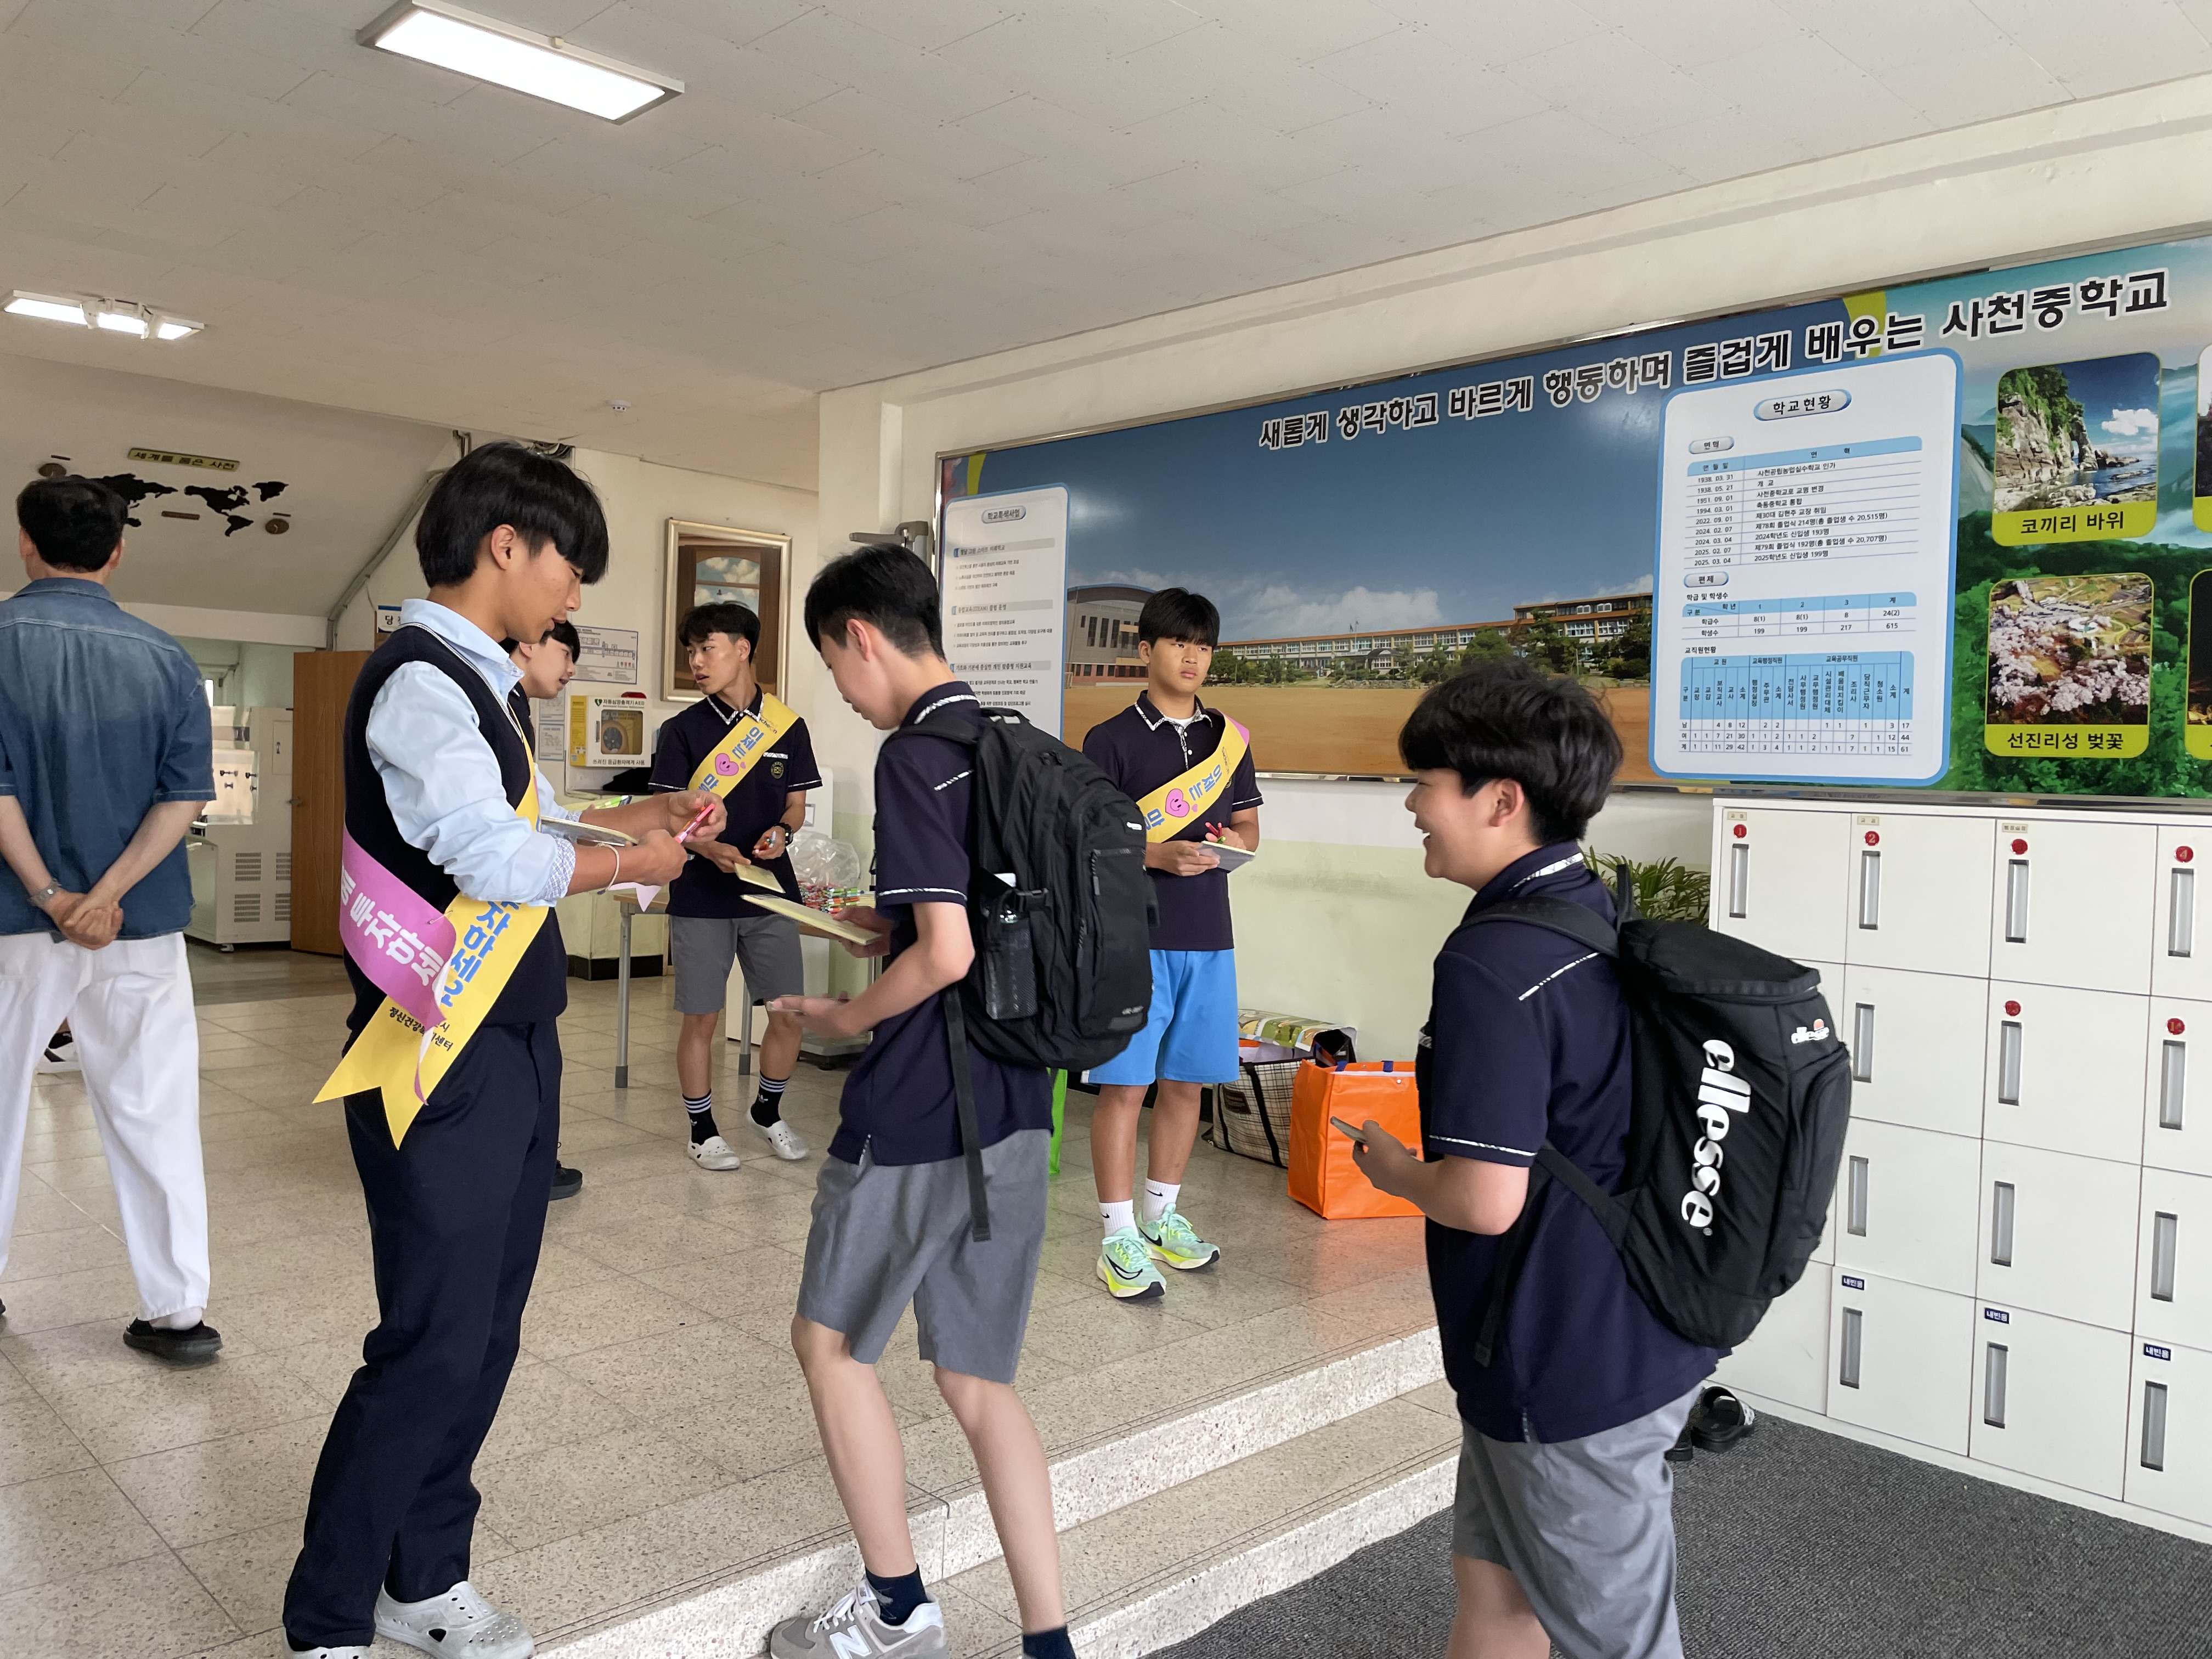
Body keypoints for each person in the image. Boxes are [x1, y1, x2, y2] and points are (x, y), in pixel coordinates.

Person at [281, 443, 721, 1659]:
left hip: (513, 1036)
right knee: (432, 1335)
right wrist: (633, 866)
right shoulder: (422, 679)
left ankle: (424, 1578)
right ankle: (327, 1617)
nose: (576, 593)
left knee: (487, 1326)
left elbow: (514, 823)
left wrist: (627, 818)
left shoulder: (485, 682)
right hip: (437, 1053)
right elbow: (490, 858)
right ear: (505, 547)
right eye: (573, 564)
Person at [1351, 662, 1718, 1659]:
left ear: (1500, 798)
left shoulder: (1493, 961)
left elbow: (1481, 1198)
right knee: (1497, 1590)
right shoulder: (1587, 910)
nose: (1413, 805)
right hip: (1597, 1324)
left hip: (1563, 1365)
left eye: (1424, 780)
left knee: (1621, 1641)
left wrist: (1391, 1170)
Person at [771, 546, 1073, 1659]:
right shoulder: (1014, 746)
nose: (843, 694)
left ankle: (898, 1610)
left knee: (832, 1346)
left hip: (916, 1106)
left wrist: (844, 1018)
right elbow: (978, 930)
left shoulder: (914, 756)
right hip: (1016, 1101)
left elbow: (946, 953)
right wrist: (878, 931)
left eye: (834, 666)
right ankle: (1049, 1641)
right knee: (978, 1378)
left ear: (860, 633)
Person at [0, 475, 219, 1362]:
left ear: (24, 541)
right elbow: (183, 796)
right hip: (141, 924)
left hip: (14, 920)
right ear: (118, 550)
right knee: (155, 1104)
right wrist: (105, 893)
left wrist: (52, 894)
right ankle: (178, 1312)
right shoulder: (166, 657)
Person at [1077, 588, 1260, 1301]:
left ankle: (1162, 1217)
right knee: (1126, 1088)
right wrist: (1152, 856)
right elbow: (1091, 842)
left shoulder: (1230, 741)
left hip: (1210, 937)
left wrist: (1228, 847)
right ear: (1147, 648)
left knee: (1186, 1084)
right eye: (1179, 642)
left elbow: (1248, 830)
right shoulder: (1109, 740)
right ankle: (1117, 1234)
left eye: (1204, 646)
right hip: (1136, 938)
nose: (1192, 657)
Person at [649, 600, 822, 1170]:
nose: (696, 662)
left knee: (788, 1012)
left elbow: (795, 805)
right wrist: (705, 846)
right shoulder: (681, 731)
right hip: (701, 893)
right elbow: (663, 818)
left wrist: (782, 832)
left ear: (743, 648)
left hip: (769, 889)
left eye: (707, 648)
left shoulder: (787, 726)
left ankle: (767, 1112)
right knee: (702, 1016)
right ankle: (702, 1129)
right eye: (691, 652)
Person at [504, 619, 586, 1201]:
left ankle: (536, 1159)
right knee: (522, 1056)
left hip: (526, 920)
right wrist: (628, 863)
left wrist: (646, 816)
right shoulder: (483, 701)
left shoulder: (512, 710)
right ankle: (523, 1162)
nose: (572, 668)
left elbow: (550, 813)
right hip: (493, 923)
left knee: (539, 1053)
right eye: (567, 653)